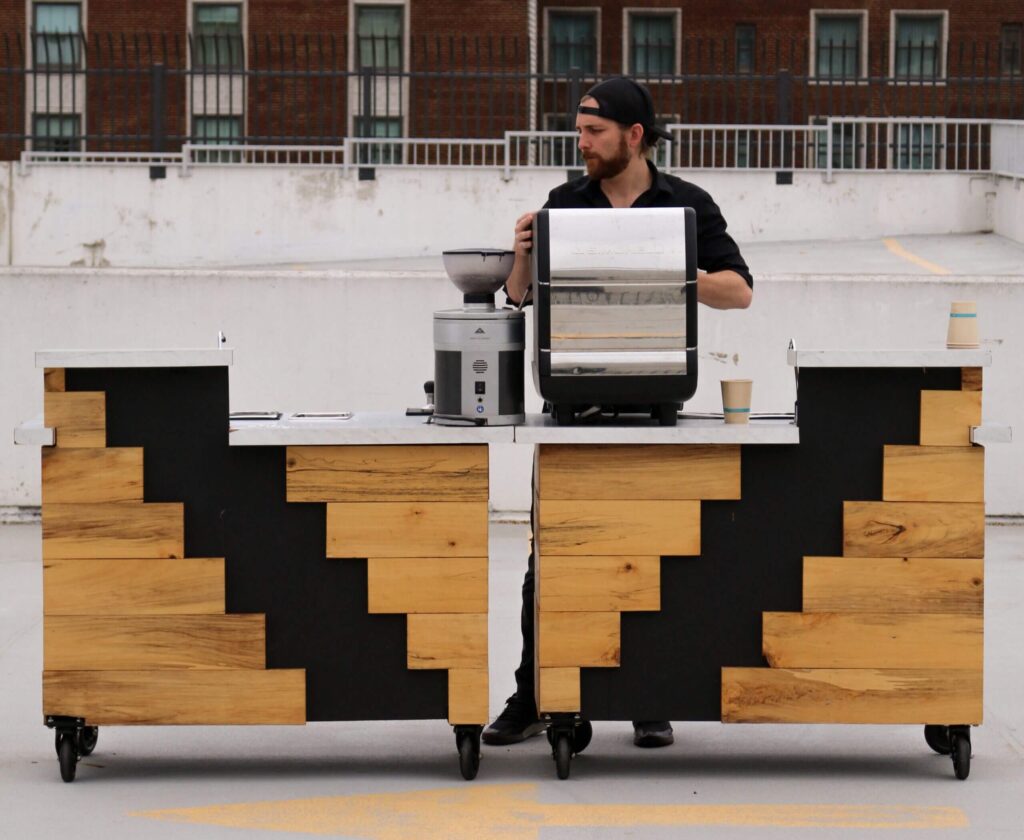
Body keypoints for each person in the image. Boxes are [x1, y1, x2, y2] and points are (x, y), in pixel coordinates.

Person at [483, 76, 753, 750]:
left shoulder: (687, 205)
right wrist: (520, 260)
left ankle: (647, 697)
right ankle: (533, 694)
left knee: (649, 559)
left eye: (594, 132)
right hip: (573, 407)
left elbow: (739, 292)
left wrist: (661, 271)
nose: (582, 144)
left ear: (634, 136)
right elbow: (517, 303)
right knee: (550, 562)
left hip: (659, 407)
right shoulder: (563, 204)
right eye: (579, 131)